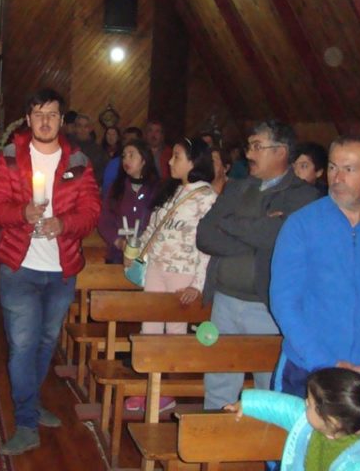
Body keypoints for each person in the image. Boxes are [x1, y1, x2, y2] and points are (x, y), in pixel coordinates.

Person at [0, 88, 101, 457]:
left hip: (61, 270)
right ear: (28, 119)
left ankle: (31, 403)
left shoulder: (78, 161)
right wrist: (21, 213)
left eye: (51, 114)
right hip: (20, 267)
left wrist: (64, 224)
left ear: (61, 119)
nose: (45, 121)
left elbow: (91, 211)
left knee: (46, 343)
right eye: (38, 114)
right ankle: (26, 423)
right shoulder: (10, 157)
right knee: (22, 345)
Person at [271, 136, 360, 400]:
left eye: (349, 169)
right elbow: (285, 303)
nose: (337, 178)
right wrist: (325, 362)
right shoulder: (301, 225)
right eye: (332, 167)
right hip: (307, 370)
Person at [196, 120, 318, 409]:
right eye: (249, 146)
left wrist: (232, 225)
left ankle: (266, 438)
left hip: (267, 306)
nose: (248, 154)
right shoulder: (237, 188)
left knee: (269, 384)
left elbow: (274, 236)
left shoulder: (303, 196)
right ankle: (215, 434)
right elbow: (205, 235)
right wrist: (256, 231)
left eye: (257, 147)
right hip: (224, 300)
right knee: (219, 381)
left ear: (281, 151)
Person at [124, 137, 217, 412]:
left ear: (194, 161)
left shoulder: (207, 197)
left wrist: (198, 284)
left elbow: (208, 246)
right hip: (156, 266)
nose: (170, 161)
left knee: (175, 333)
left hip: (183, 271)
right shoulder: (172, 190)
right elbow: (154, 229)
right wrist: (136, 255)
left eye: (177, 156)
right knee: (150, 329)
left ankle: (167, 392)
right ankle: (149, 388)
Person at [225, 368, 360, 470]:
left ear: (332, 422)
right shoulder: (328, 423)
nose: (305, 403)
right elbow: (287, 408)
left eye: (310, 403)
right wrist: (249, 403)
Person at [97, 139, 158, 263]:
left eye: (131, 155)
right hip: (118, 256)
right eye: (124, 156)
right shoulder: (116, 188)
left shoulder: (157, 189)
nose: (126, 160)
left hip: (150, 256)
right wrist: (118, 241)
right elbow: (104, 220)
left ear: (144, 160)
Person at [102, 126, 144, 195]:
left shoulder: (147, 162)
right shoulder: (114, 164)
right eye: (125, 139)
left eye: (132, 140)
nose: (127, 142)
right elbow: (107, 191)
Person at [74, 113, 106, 186]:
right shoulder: (68, 147)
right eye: (79, 126)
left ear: (90, 129)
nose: (82, 130)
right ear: (75, 128)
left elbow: (102, 173)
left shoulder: (98, 150)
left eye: (86, 126)